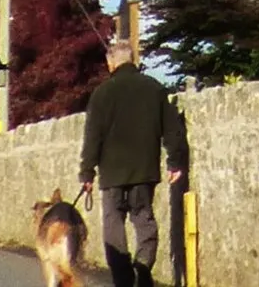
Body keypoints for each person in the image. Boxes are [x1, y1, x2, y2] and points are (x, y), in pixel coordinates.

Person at [79, 40, 189, 287]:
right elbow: (172, 130)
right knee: (144, 220)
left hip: (112, 174)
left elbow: (92, 136)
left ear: (111, 63)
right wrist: (174, 162)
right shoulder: (155, 89)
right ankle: (142, 266)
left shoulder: (101, 94)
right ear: (134, 60)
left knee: (113, 224)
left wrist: (87, 172)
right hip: (144, 170)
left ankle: (123, 277)